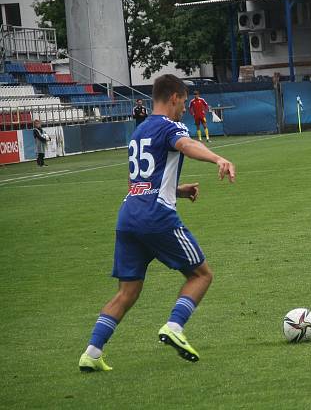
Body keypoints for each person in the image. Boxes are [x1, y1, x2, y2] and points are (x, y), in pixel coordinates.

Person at [78, 74, 236, 372]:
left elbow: (137, 182)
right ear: (174, 97)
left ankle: (92, 352)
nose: (185, 109)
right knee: (201, 275)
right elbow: (186, 145)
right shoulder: (170, 126)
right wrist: (217, 159)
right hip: (156, 215)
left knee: (128, 292)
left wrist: (177, 189)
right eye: (184, 102)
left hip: (129, 215)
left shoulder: (139, 132)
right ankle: (175, 326)